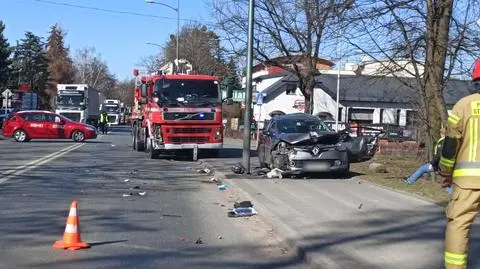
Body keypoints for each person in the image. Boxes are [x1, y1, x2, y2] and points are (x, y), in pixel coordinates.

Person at [439, 58, 480, 269]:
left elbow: (450, 145)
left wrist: (445, 172)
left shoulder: (463, 105)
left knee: (459, 224)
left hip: (467, 182)